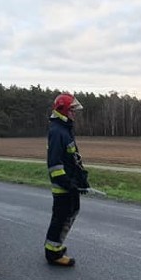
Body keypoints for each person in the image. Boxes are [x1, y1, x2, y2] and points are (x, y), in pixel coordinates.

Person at [44, 93, 89, 267]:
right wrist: (68, 184)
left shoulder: (65, 129)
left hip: (70, 184)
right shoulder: (57, 131)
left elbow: (72, 159)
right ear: (63, 110)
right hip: (63, 186)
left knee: (71, 212)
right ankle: (52, 253)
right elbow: (54, 164)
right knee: (60, 218)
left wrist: (82, 179)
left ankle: (56, 246)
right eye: (72, 110)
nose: (74, 114)